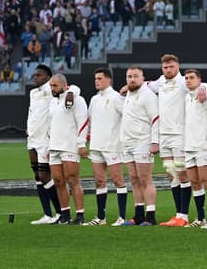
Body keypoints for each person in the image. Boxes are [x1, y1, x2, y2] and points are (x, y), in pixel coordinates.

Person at [147, 54, 198, 228]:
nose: (168, 70)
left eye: (171, 67)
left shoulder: (184, 82)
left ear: (177, 66)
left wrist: (204, 88)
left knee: (182, 174)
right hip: (164, 135)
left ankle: (183, 215)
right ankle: (178, 215)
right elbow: (147, 85)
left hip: (180, 135)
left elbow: (200, 85)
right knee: (171, 174)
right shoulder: (161, 81)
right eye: (165, 67)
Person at [27, 65, 72, 225]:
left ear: (47, 77)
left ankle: (61, 212)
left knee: (45, 176)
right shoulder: (33, 92)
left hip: (45, 141)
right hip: (32, 139)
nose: (35, 77)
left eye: (38, 75)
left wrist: (72, 93)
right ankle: (47, 214)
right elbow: (33, 112)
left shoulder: (50, 89)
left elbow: (72, 88)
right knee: (37, 177)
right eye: (35, 75)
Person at [84, 68, 127, 226]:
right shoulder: (94, 99)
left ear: (108, 80)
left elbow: (127, 117)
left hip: (112, 146)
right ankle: (100, 218)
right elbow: (89, 120)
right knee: (99, 181)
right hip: (96, 146)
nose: (96, 81)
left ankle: (122, 217)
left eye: (100, 78)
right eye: (95, 78)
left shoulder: (116, 98)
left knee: (117, 180)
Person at [120, 67, 160, 226]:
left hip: (142, 142)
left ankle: (151, 216)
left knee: (145, 179)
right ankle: (138, 215)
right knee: (134, 179)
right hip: (127, 143)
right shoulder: (129, 93)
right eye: (129, 76)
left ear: (143, 78)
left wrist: (155, 142)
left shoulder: (148, 95)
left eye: (135, 76)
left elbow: (156, 119)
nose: (132, 79)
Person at [48, 74, 89, 225]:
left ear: (65, 86)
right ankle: (64, 214)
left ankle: (80, 215)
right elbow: (50, 123)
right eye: (51, 86)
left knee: (73, 180)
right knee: (58, 181)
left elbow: (83, 122)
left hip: (70, 146)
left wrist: (81, 144)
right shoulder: (52, 102)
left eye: (55, 86)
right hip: (54, 147)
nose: (52, 89)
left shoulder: (76, 99)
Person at [183, 69, 207, 228]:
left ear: (199, 79)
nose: (188, 80)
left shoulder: (205, 94)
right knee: (194, 182)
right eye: (186, 78)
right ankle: (201, 217)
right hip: (189, 146)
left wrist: (204, 87)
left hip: (203, 145)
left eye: (191, 78)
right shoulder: (186, 97)